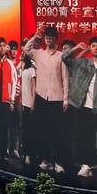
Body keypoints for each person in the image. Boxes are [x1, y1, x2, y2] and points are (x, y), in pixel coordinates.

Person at [64, 37, 97, 180]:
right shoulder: (82, 62)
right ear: (90, 47)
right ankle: (86, 165)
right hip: (83, 106)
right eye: (93, 46)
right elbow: (64, 58)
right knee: (84, 137)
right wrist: (77, 48)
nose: (95, 48)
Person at [23, 25, 68, 172]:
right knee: (42, 130)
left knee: (56, 131)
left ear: (56, 39)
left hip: (56, 97)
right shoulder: (39, 53)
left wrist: (66, 98)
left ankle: (58, 162)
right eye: (47, 37)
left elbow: (65, 78)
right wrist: (36, 36)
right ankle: (46, 159)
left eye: (51, 37)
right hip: (41, 96)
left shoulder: (61, 55)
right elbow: (26, 49)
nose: (49, 39)